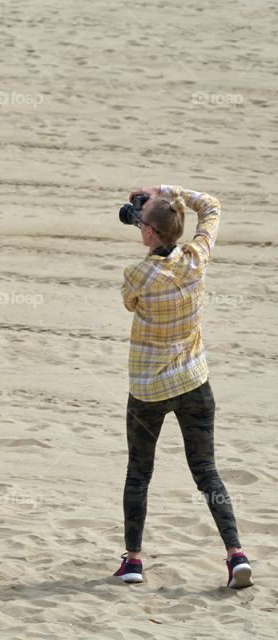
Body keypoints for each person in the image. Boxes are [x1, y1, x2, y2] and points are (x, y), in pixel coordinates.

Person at [112, 186, 252, 588]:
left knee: (139, 474)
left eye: (142, 222)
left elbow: (129, 302)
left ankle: (134, 561)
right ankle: (235, 554)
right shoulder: (196, 257)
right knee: (207, 472)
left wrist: (156, 208)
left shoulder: (138, 272)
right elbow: (211, 206)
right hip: (193, 380)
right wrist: (168, 193)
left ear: (151, 233)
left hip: (149, 389)